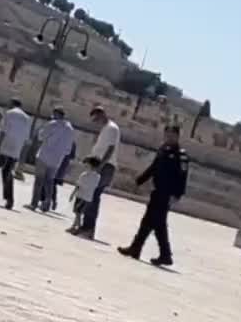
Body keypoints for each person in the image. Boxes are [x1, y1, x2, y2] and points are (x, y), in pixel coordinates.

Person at [118, 124, 189, 267]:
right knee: (151, 222)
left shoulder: (181, 155)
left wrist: (177, 195)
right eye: (166, 134)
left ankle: (162, 254)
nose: (168, 137)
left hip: (167, 194)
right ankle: (139, 249)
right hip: (157, 191)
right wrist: (139, 181)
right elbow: (153, 168)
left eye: (171, 135)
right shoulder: (163, 150)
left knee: (157, 223)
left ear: (177, 136)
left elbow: (183, 176)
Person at [79, 106, 120, 239]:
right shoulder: (106, 129)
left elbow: (110, 149)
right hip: (99, 166)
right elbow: (100, 148)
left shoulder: (112, 128)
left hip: (105, 167)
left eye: (96, 118)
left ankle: (89, 229)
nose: (96, 122)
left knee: (94, 197)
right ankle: (85, 227)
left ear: (102, 114)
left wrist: (100, 167)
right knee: (90, 195)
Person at [28, 107, 75, 212]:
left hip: (44, 155)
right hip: (57, 159)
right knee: (49, 181)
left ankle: (34, 203)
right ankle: (47, 203)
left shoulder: (52, 124)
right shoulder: (70, 129)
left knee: (39, 180)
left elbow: (41, 136)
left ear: (56, 114)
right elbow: (68, 149)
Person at [68, 156, 102, 234]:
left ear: (91, 165)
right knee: (78, 212)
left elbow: (78, 185)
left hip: (80, 196)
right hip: (88, 198)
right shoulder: (98, 177)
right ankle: (73, 226)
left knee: (77, 213)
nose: (85, 167)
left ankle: (78, 227)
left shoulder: (84, 175)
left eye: (86, 165)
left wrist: (72, 194)